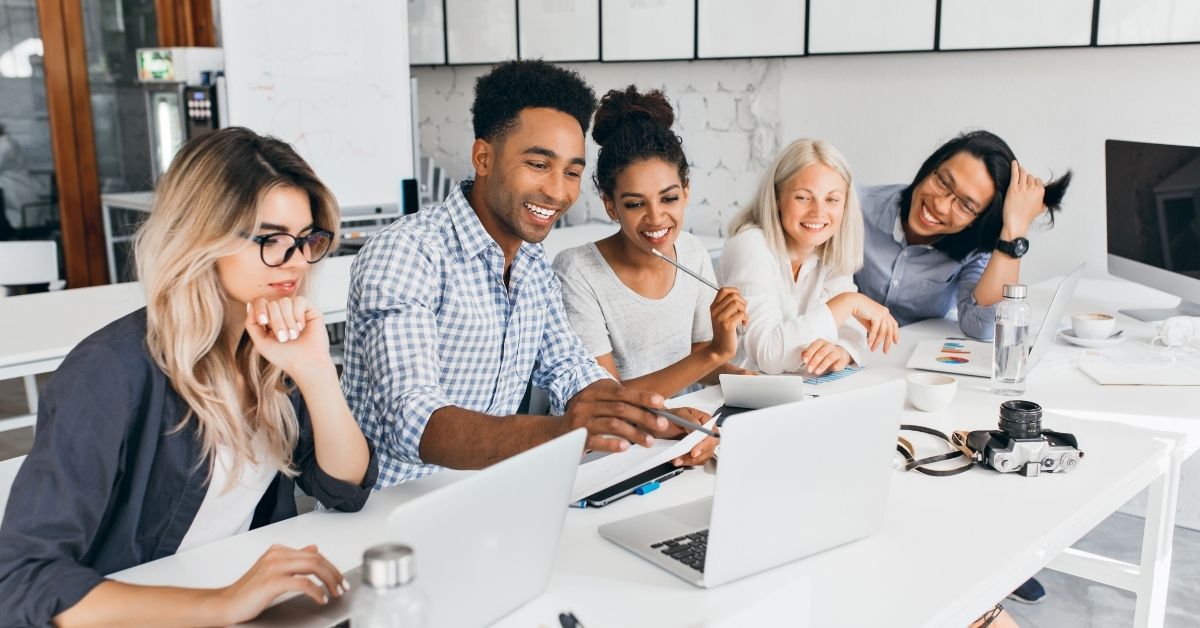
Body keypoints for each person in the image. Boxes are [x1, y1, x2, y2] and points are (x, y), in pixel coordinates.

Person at [0, 127, 377, 626]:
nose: (297, 262)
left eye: (308, 240)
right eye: (271, 239)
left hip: (246, 605)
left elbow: (344, 488)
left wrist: (315, 372)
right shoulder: (110, 372)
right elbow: (21, 581)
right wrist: (221, 605)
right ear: (203, 237)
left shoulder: (267, 347)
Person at [341, 60, 701, 488]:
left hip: (491, 497)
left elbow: (573, 372)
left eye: (571, 172)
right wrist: (566, 431)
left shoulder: (533, 266)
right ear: (483, 157)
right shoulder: (408, 253)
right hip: (388, 513)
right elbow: (411, 418)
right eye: (537, 164)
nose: (557, 191)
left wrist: (652, 417)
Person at [552, 86, 750, 399]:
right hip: (612, 439)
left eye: (669, 198)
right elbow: (606, 397)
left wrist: (747, 379)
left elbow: (698, 357)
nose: (656, 217)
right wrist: (715, 352)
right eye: (634, 204)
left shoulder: (692, 252)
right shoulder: (577, 270)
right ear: (610, 205)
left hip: (681, 426)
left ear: (685, 192)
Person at [854, 130, 1072, 341]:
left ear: (978, 220)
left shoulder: (974, 248)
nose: (939, 205)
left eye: (966, 206)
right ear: (931, 167)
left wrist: (1014, 232)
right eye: (944, 182)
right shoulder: (854, 206)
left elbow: (982, 326)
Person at [718, 139, 899, 376]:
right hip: (740, 397)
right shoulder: (750, 246)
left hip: (800, 390)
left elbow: (849, 330)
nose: (818, 212)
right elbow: (768, 354)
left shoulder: (828, 247)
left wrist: (841, 350)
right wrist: (848, 302)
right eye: (803, 197)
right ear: (777, 199)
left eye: (832, 199)